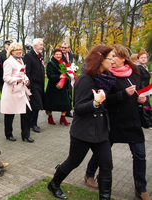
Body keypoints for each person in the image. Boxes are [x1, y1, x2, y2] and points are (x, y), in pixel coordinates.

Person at [47, 45, 116, 200]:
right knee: (73, 162)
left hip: (101, 131)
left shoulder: (106, 79)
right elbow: (78, 108)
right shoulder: (86, 79)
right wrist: (95, 103)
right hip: (83, 131)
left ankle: (105, 197)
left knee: (107, 165)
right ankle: (54, 184)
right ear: (100, 59)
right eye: (110, 58)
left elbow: (109, 99)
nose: (112, 61)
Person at [84, 44, 151, 200]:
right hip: (113, 121)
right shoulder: (106, 75)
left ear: (123, 58)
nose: (111, 60)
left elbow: (140, 91)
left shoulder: (135, 72)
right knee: (102, 152)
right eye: (110, 57)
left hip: (133, 122)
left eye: (114, 56)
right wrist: (123, 94)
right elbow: (104, 100)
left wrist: (142, 99)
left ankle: (141, 189)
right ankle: (89, 174)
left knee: (140, 156)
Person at [0, 42, 34, 143]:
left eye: (20, 49)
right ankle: (8, 133)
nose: (19, 52)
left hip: (21, 91)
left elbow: (23, 73)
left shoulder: (21, 60)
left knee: (26, 112)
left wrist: (26, 79)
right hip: (12, 91)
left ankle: (26, 135)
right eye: (16, 50)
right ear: (11, 51)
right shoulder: (8, 62)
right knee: (10, 114)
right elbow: (5, 77)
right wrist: (16, 80)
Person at [23, 38, 46, 133]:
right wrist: (28, 87)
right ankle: (32, 123)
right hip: (33, 85)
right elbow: (27, 71)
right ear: (35, 45)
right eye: (40, 44)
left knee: (36, 105)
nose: (42, 46)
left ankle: (32, 122)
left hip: (40, 85)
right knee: (35, 105)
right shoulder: (29, 56)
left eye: (42, 44)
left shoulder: (40, 56)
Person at [46, 48, 72, 125]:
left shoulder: (63, 63)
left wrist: (67, 75)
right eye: (57, 54)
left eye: (60, 54)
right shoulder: (51, 63)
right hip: (53, 86)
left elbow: (65, 72)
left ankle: (63, 118)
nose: (58, 56)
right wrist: (60, 76)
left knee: (65, 101)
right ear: (54, 55)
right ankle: (50, 117)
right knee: (51, 102)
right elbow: (50, 75)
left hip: (62, 86)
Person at [60, 42, 74, 118]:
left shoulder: (71, 55)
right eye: (62, 47)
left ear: (68, 48)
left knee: (70, 94)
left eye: (65, 48)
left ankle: (68, 111)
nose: (63, 49)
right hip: (62, 77)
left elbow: (72, 64)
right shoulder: (58, 55)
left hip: (70, 78)